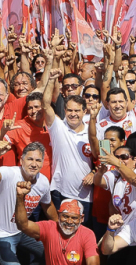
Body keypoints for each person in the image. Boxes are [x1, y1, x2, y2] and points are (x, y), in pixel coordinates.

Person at [0, 141, 57, 265]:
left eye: (38, 160)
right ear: (21, 161)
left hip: (23, 232)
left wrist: (60, 228)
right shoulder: (9, 173)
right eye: (30, 159)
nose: (34, 164)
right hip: (0, 234)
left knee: (55, 252)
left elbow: (48, 205)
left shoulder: (43, 181)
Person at [43, 68, 94, 223]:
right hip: (60, 191)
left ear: (84, 111)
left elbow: (105, 158)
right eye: (69, 110)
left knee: (83, 235)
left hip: (86, 195)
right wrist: (51, 79)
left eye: (77, 111)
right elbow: (45, 104)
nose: (73, 114)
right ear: (64, 110)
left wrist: (95, 173)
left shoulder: (94, 130)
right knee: (61, 234)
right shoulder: (58, 127)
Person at [14, 182, 99, 265]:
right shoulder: (49, 227)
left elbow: (92, 262)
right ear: (58, 215)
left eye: (74, 218)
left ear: (82, 219)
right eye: (65, 216)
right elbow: (23, 226)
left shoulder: (87, 234)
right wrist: (20, 197)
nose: (69, 222)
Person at [94, 146, 136, 223]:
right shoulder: (115, 175)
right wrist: (100, 173)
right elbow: (98, 182)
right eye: (116, 157)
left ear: (134, 160)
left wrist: (117, 163)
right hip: (122, 227)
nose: (120, 160)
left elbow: (134, 180)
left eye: (124, 157)